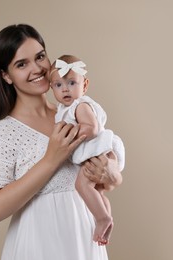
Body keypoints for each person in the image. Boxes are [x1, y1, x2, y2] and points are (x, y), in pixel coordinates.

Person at [0, 24, 124, 260]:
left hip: (84, 236)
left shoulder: (75, 114)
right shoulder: (3, 132)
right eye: (21, 64)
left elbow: (103, 172)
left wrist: (112, 175)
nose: (37, 69)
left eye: (40, 57)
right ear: (6, 75)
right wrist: (50, 159)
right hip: (38, 243)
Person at [49, 54, 123, 245]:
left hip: (96, 153)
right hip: (98, 152)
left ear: (85, 85)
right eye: (58, 85)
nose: (65, 89)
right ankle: (107, 219)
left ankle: (102, 219)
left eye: (72, 82)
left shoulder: (79, 105)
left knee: (81, 185)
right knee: (98, 193)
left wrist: (68, 134)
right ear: (51, 88)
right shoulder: (66, 108)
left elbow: (92, 128)